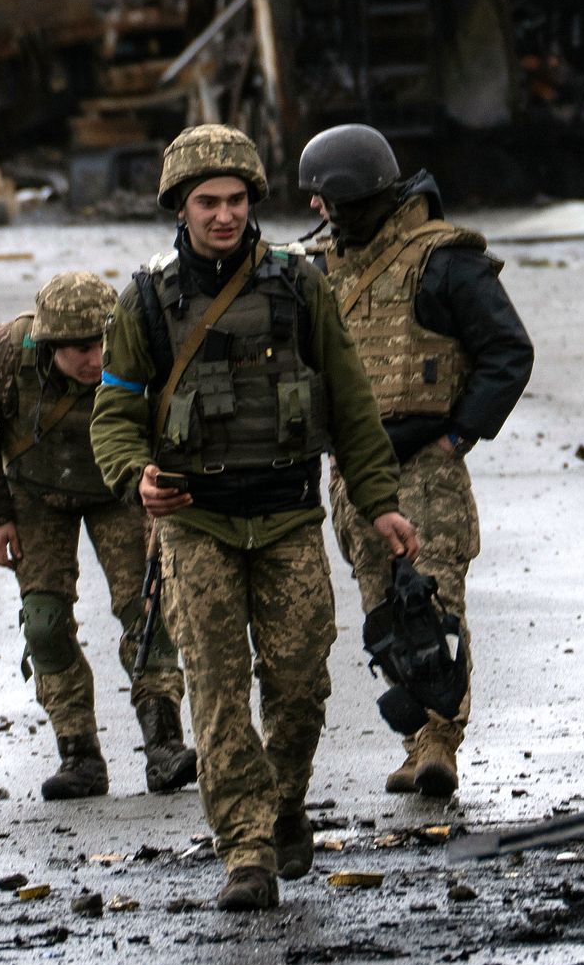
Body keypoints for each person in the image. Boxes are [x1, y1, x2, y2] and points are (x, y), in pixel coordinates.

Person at [89, 123, 415, 912]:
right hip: (197, 525)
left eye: (237, 200)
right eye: (208, 202)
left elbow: (351, 404)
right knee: (218, 693)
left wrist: (382, 505)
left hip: (287, 520)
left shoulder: (299, 288)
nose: (225, 216)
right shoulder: (145, 300)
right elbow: (115, 414)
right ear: (180, 207)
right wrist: (137, 478)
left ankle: (283, 799)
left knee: (301, 687)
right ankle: (246, 849)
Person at [297, 124, 534, 799]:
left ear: (347, 195)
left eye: (323, 197)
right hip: (355, 473)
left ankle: (439, 742)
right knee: (384, 618)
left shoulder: (444, 262)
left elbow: (507, 352)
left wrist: (458, 437)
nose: (315, 209)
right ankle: (414, 743)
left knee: (432, 611)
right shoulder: (322, 270)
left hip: (426, 466)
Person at [0, 270, 193, 799]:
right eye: (81, 349)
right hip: (36, 492)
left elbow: (175, 418)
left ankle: (164, 743)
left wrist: (160, 495)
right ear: (48, 344)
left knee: (148, 610)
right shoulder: (0, 354)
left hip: (120, 488)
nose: (97, 359)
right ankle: (79, 753)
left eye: (103, 342)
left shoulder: (142, 346)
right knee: (44, 623)